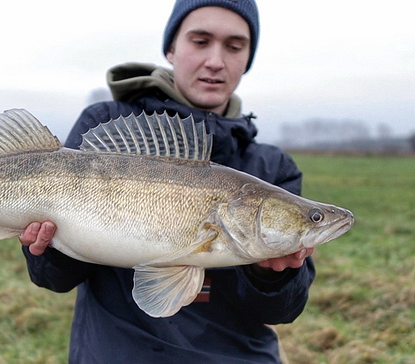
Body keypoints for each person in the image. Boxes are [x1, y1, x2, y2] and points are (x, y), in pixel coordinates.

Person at [19, 1, 315, 362]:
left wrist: (272, 277)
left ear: (248, 58)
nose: (216, 61)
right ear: (172, 49)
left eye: (234, 46)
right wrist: (48, 246)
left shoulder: (271, 167)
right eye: (200, 41)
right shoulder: (106, 126)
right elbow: (53, 278)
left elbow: (283, 311)